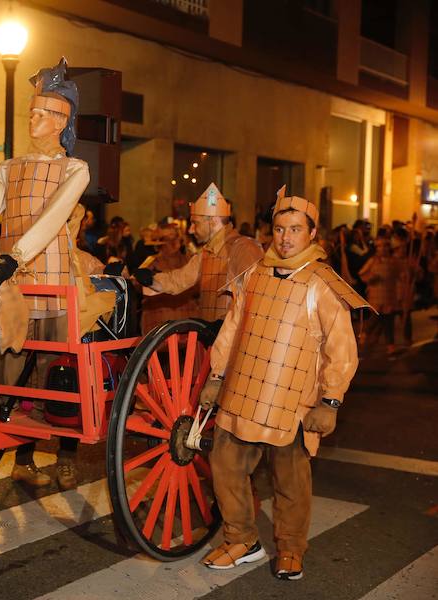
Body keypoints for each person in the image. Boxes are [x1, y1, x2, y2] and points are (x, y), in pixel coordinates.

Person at [198, 190, 367, 580]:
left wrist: (331, 401)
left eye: (295, 230)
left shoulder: (322, 283)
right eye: (279, 229)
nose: (285, 238)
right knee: (224, 465)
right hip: (242, 394)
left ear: (312, 233)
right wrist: (216, 377)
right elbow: (232, 330)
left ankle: (291, 547)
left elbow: (342, 348)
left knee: (290, 481)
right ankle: (241, 539)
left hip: (292, 403)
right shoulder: (254, 274)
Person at [0, 58, 90, 490]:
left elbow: (54, 215)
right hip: (10, 282)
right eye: (31, 112)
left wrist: (18, 254)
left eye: (41, 113)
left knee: (58, 371)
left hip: (52, 279)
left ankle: (64, 448)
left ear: (61, 120)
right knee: (6, 369)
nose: (32, 119)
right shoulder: (7, 168)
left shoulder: (75, 169)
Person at [134, 183, 263, 323]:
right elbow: (179, 280)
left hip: (233, 339)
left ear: (213, 221)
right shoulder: (207, 253)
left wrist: (227, 324)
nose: (190, 230)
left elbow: (255, 296)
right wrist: (151, 279)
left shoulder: (245, 247)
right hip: (211, 338)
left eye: (195, 223)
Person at [140, 224, 199, 333]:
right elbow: (140, 285)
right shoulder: (152, 262)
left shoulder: (189, 260)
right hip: (159, 319)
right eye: (167, 239)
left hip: (187, 317)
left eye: (175, 237)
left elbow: (197, 285)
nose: (172, 243)